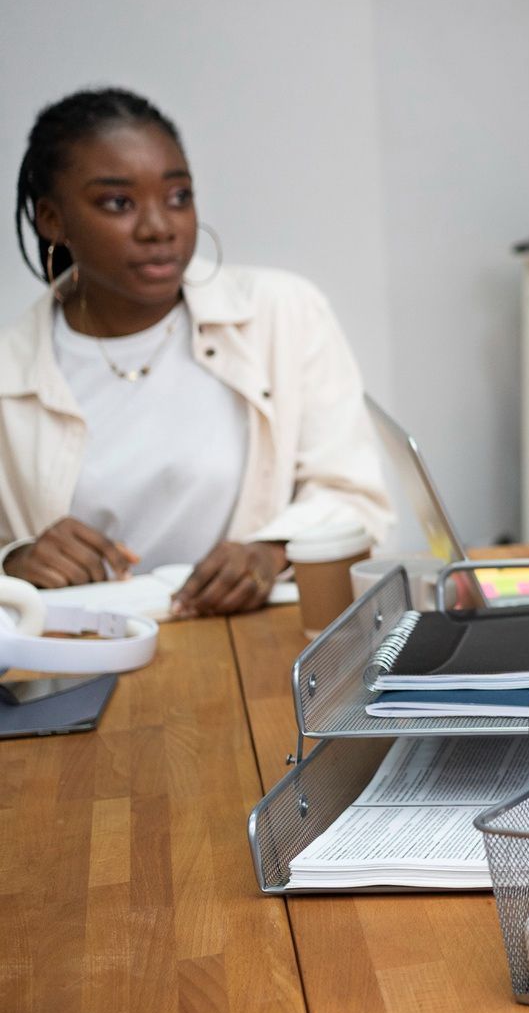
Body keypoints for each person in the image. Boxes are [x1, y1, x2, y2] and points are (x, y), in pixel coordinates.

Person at [2, 87, 391, 616]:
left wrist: (273, 549)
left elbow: (356, 498)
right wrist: (15, 563)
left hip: (253, 647)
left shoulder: (284, 312)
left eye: (178, 196)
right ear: (53, 220)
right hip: (78, 661)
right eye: (118, 203)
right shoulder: (11, 370)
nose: (159, 227)